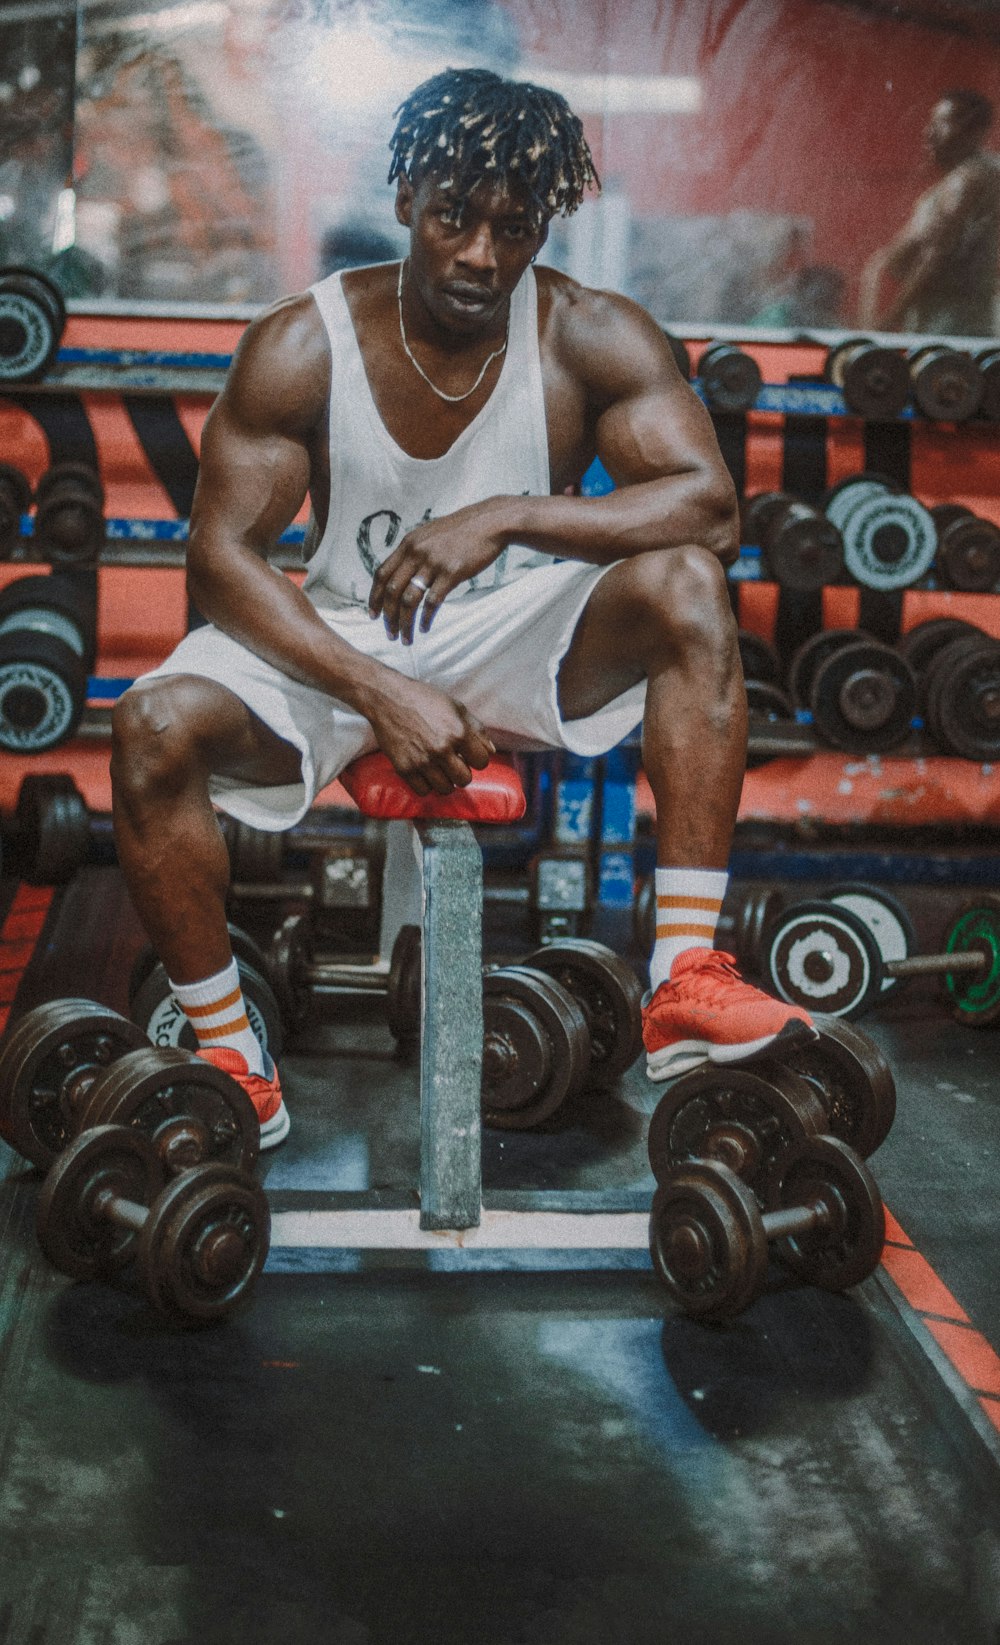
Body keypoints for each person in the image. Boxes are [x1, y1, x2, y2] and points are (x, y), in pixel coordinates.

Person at [110, 67, 816, 1149]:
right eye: (453, 218)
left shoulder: (588, 335)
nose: (482, 256)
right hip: (340, 637)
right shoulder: (304, 345)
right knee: (150, 726)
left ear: (544, 226)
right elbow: (219, 562)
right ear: (405, 201)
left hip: (512, 627)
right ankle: (230, 1055)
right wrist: (378, 690)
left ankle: (682, 975)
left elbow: (708, 509)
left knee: (686, 585)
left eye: (513, 226)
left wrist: (508, 515)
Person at [860, 89, 1000, 336]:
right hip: (939, 322)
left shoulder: (969, 178)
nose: (929, 132)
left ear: (976, 132)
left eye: (942, 122)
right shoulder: (959, 180)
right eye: (931, 122)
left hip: (948, 326)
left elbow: (934, 257)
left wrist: (886, 324)